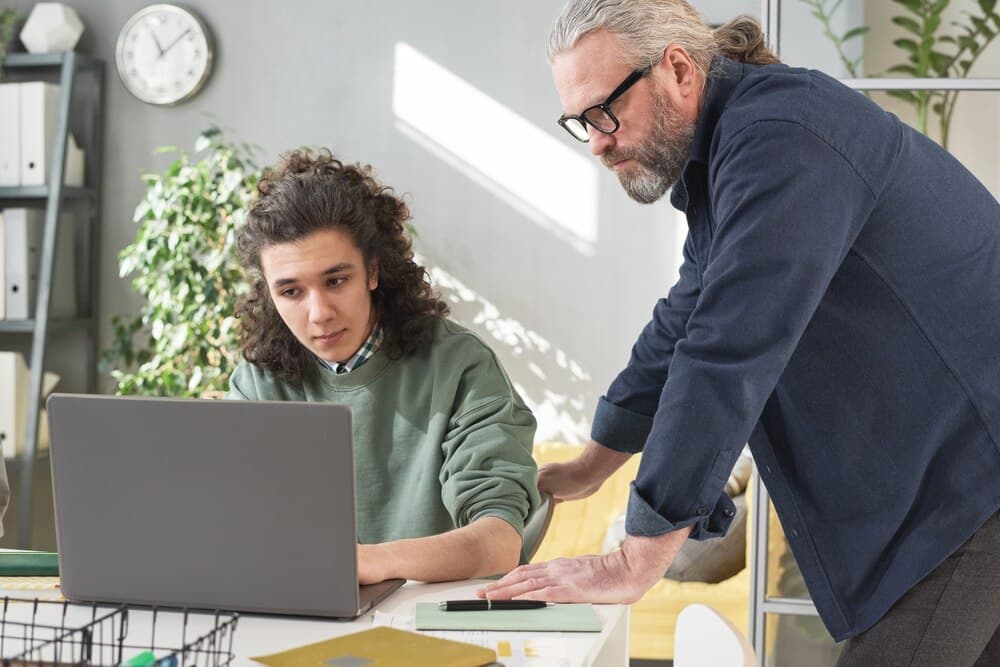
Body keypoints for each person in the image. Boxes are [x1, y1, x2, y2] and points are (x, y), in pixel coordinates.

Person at [480, 2, 1000, 664]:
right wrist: (593, 462)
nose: (599, 141)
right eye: (581, 124)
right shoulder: (738, 151)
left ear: (675, 69)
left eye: (604, 112)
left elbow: (728, 346)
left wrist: (640, 552)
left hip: (973, 477)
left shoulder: (784, 138)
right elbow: (685, 319)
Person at [227, 148, 541, 586]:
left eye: (336, 281)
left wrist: (370, 563)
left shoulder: (459, 366)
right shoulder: (257, 384)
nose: (318, 313)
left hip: (436, 625)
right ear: (270, 293)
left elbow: (498, 542)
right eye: (291, 292)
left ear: (373, 270)